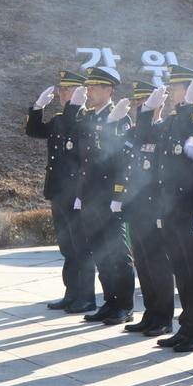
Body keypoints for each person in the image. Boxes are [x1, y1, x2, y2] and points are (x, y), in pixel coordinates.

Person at [154, 66, 193, 352]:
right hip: (173, 207)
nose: (171, 93)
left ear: (192, 91)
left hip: (191, 208)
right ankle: (186, 325)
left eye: (177, 88)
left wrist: (191, 107)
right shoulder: (172, 121)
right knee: (181, 268)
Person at [71, 66, 136, 322]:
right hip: (90, 195)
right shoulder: (88, 116)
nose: (90, 91)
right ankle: (110, 302)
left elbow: (122, 161)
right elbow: (83, 159)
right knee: (100, 252)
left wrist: (119, 197)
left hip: (110, 197)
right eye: (89, 87)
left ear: (109, 90)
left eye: (96, 87)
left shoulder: (120, 116)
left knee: (118, 253)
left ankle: (125, 306)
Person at [25, 69, 91, 310]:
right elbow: (34, 131)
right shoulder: (61, 119)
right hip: (58, 191)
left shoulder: (85, 119)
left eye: (68, 89)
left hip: (76, 194)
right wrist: (37, 108)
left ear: (80, 92)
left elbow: (79, 143)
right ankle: (72, 293)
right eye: (62, 89)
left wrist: (74, 108)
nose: (63, 93)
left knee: (81, 247)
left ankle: (86, 297)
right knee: (67, 247)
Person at [120, 80, 176, 336]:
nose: (140, 106)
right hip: (137, 206)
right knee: (143, 262)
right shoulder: (137, 131)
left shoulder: (164, 129)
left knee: (158, 264)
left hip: (155, 209)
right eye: (138, 102)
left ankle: (163, 317)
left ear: (159, 103)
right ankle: (151, 313)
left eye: (146, 102)